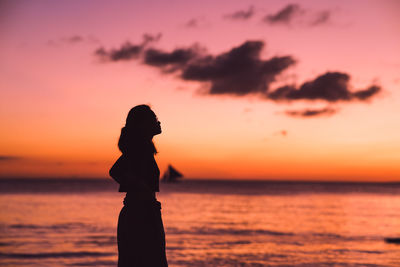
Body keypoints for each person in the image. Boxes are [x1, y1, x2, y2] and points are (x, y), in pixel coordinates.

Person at [109, 105, 168, 267]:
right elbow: (115, 171)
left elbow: (116, 171)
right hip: (140, 213)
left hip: (141, 210)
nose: (159, 122)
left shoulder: (142, 148)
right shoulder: (140, 148)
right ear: (143, 124)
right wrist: (141, 188)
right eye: (154, 119)